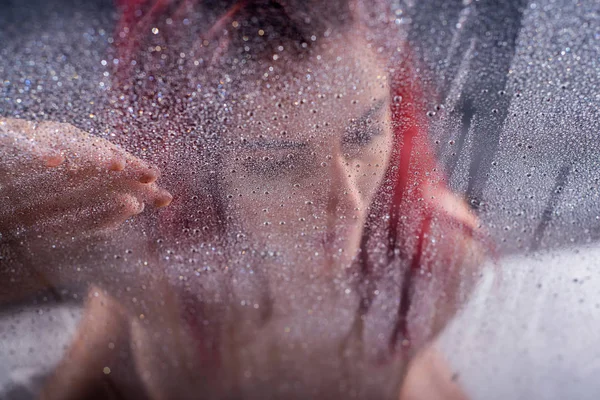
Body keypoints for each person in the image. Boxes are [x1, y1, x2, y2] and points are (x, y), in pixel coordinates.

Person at [0, 0, 484, 398]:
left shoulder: (437, 258)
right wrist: (20, 159)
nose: (349, 204)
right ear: (201, 168)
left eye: (364, 132)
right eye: (276, 162)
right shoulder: (153, 246)